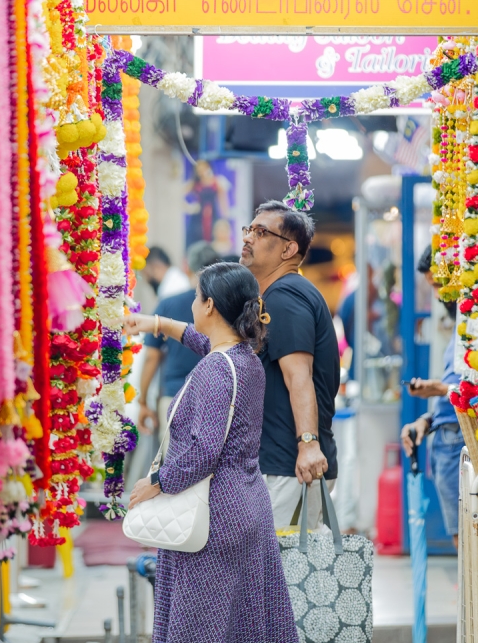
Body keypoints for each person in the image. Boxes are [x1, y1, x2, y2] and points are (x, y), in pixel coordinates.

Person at [125, 263, 298, 643]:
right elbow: (202, 342)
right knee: (244, 624)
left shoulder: (217, 371)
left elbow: (204, 451)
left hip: (215, 516)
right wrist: (156, 323)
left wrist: (154, 483)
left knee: (202, 626)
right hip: (246, 504)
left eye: (197, 296)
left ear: (209, 307)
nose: (192, 302)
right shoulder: (244, 358)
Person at [240, 200, 340, 529]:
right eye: (249, 229)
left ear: (288, 249)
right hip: (287, 464)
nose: (248, 238)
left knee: (283, 576)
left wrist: (308, 445)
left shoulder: (286, 296)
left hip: (290, 467)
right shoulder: (280, 294)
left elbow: (300, 376)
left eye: (260, 231)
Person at [401, 245, 463, 548]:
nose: (439, 295)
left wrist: (438, 389)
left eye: (439, 285)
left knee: (466, 539)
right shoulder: (459, 327)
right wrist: (427, 420)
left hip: (459, 441)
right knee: (462, 539)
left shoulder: (474, 324)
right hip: (445, 435)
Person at [138, 242, 222, 437]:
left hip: (175, 397)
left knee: (176, 465)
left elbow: (152, 356)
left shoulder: (167, 304)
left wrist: (143, 401)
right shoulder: (225, 306)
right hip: (216, 400)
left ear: (186, 267)